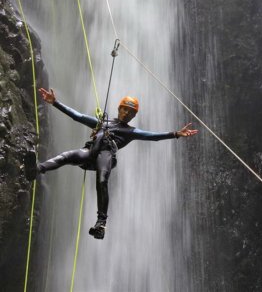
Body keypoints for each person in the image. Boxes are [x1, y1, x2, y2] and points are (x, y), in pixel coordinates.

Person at [25, 87, 198, 239]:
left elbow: (153, 137)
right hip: (90, 153)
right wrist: (55, 102)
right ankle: (36, 169)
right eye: (125, 109)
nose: (127, 114)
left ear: (134, 115)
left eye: (131, 112)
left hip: (106, 156)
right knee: (66, 156)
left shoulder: (131, 131)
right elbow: (78, 117)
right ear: (119, 108)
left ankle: (101, 223)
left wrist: (176, 134)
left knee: (102, 180)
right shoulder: (103, 123)